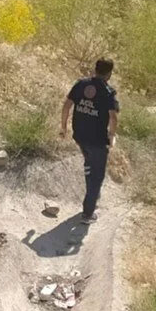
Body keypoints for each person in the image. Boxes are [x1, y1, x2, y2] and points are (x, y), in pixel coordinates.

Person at [60, 58, 119, 222]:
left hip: (80, 136)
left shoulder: (81, 84)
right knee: (98, 175)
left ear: (95, 69)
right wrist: (112, 135)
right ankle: (88, 213)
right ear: (109, 74)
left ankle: (91, 197)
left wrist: (63, 127)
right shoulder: (108, 92)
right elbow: (113, 117)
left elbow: (66, 105)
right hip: (98, 140)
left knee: (88, 164)